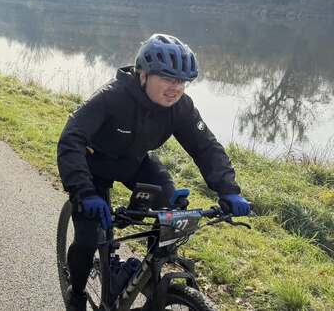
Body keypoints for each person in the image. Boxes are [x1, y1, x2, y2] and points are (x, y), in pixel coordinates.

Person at [56, 33, 250, 311]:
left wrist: (229, 190)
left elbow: (206, 147)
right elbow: (71, 139)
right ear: (143, 75)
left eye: (182, 81)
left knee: (171, 208)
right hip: (93, 166)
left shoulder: (181, 107)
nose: (176, 88)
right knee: (87, 238)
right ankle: (76, 293)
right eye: (168, 79)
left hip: (134, 162)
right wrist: (83, 191)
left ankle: (143, 274)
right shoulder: (112, 97)